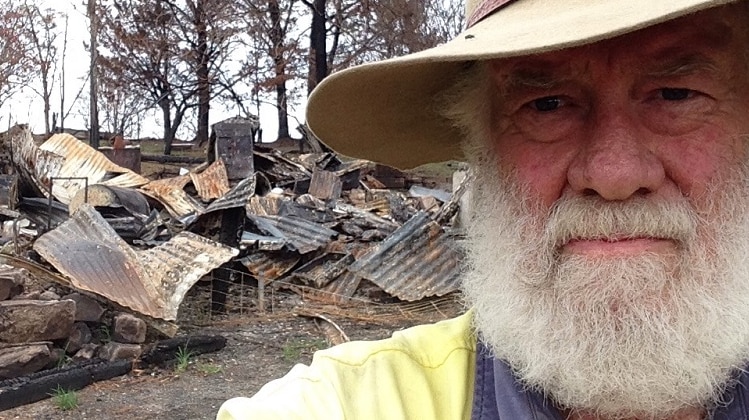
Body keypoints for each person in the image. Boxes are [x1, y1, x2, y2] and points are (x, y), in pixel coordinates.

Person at [217, 1, 749, 419]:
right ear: (479, 150)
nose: (612, 175)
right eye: (546, 104)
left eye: (677, 93)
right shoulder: (350, 404)